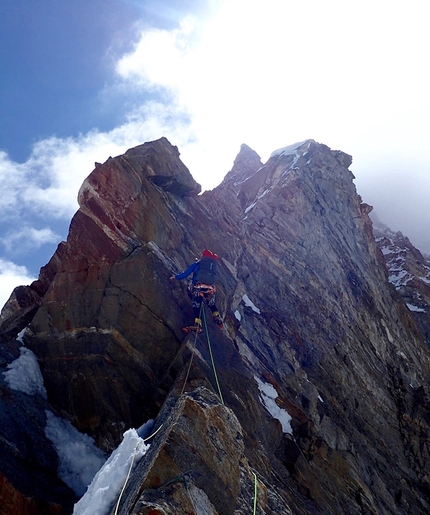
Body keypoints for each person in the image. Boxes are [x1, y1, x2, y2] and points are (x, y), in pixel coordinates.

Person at [170, 249, 223, 332]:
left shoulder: (198, 264)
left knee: (197, 305)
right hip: (210, 288)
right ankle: (217, 317)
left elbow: (186, 273)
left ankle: (198, 324)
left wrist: (175, 277)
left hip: (199, 287)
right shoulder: (212, 266)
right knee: (211, 303)